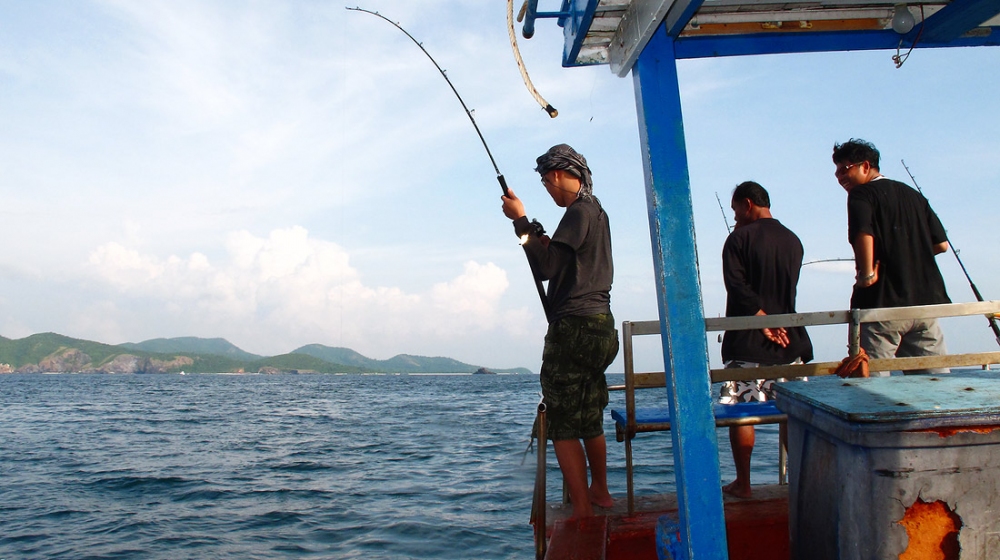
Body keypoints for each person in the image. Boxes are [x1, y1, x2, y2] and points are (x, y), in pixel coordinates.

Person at [500, 144, 619, 519]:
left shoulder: (577, 212)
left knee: (565, 423)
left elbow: (547, 268)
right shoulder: (597, 212)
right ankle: (600, 491)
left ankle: (581, 510)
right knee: (588, 414)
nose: (547, 190)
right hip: (602, 328)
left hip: (573, 329)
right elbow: (567, 262)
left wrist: (520, 223)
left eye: (545, 183)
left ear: (556, 175)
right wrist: (538, 237)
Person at [720, 181, 813, 499]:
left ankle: (743, 483)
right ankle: (799, 479)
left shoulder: (738, 239)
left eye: (736, 211)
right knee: (791, 413)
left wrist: (760, 319)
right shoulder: (793, 241)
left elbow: (736, 285)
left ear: (747, 204)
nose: (735, 219)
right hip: (790, 340)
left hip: (747, 339)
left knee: (742, 412)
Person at [832, 139, 951, 375]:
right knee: (934, 384)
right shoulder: (913, 195)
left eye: (844, 169)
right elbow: (942, 245)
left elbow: (863, 232)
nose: (839, 176)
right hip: (923, 305)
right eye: (836, 171)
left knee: (874, 385)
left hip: (881, 304)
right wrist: (908, 255)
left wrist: (866, 274)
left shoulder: (861, 194)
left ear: (865, 166)